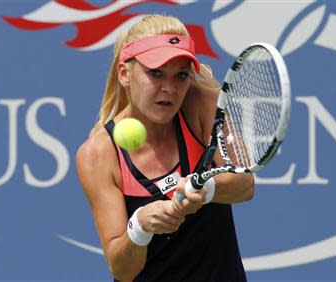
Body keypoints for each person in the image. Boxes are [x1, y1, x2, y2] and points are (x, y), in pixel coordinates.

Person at [76, 14, 255, 282]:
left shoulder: (202, 103)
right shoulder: (97, 154)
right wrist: (140, 226)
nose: (169, 88)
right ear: (125, 74)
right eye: (156, 73)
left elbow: (245, 183)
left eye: (181, 75)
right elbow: (122, 269)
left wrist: (205, 189)